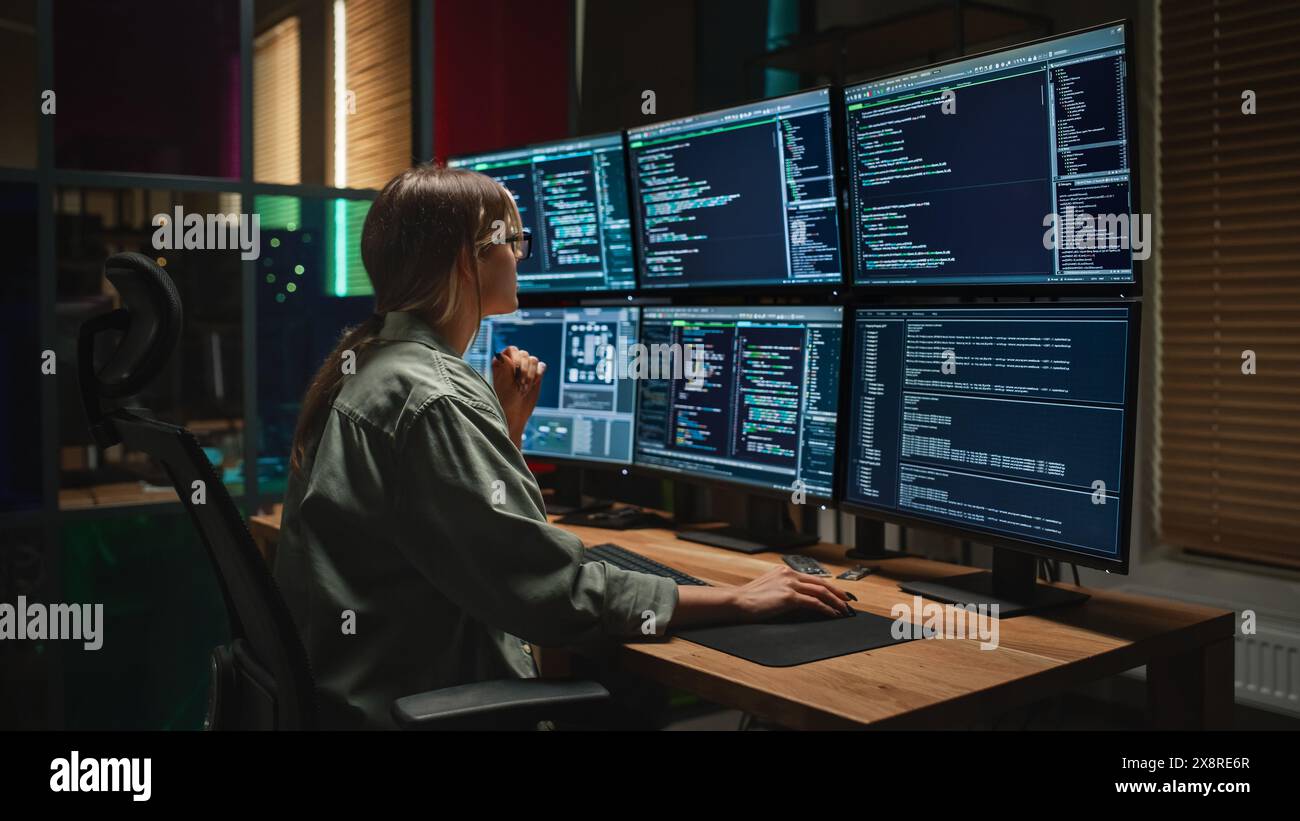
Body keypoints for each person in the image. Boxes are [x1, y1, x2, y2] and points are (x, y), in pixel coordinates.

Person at [273, 164, 851, 728]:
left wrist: (505, 431)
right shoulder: (434, 398)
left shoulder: (367, 363)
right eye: (513, 241)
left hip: (362, 691)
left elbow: (461, 532)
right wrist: (739, 600)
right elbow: (553, 594)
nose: (521, 256)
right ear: (466, 262)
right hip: (418, 701)